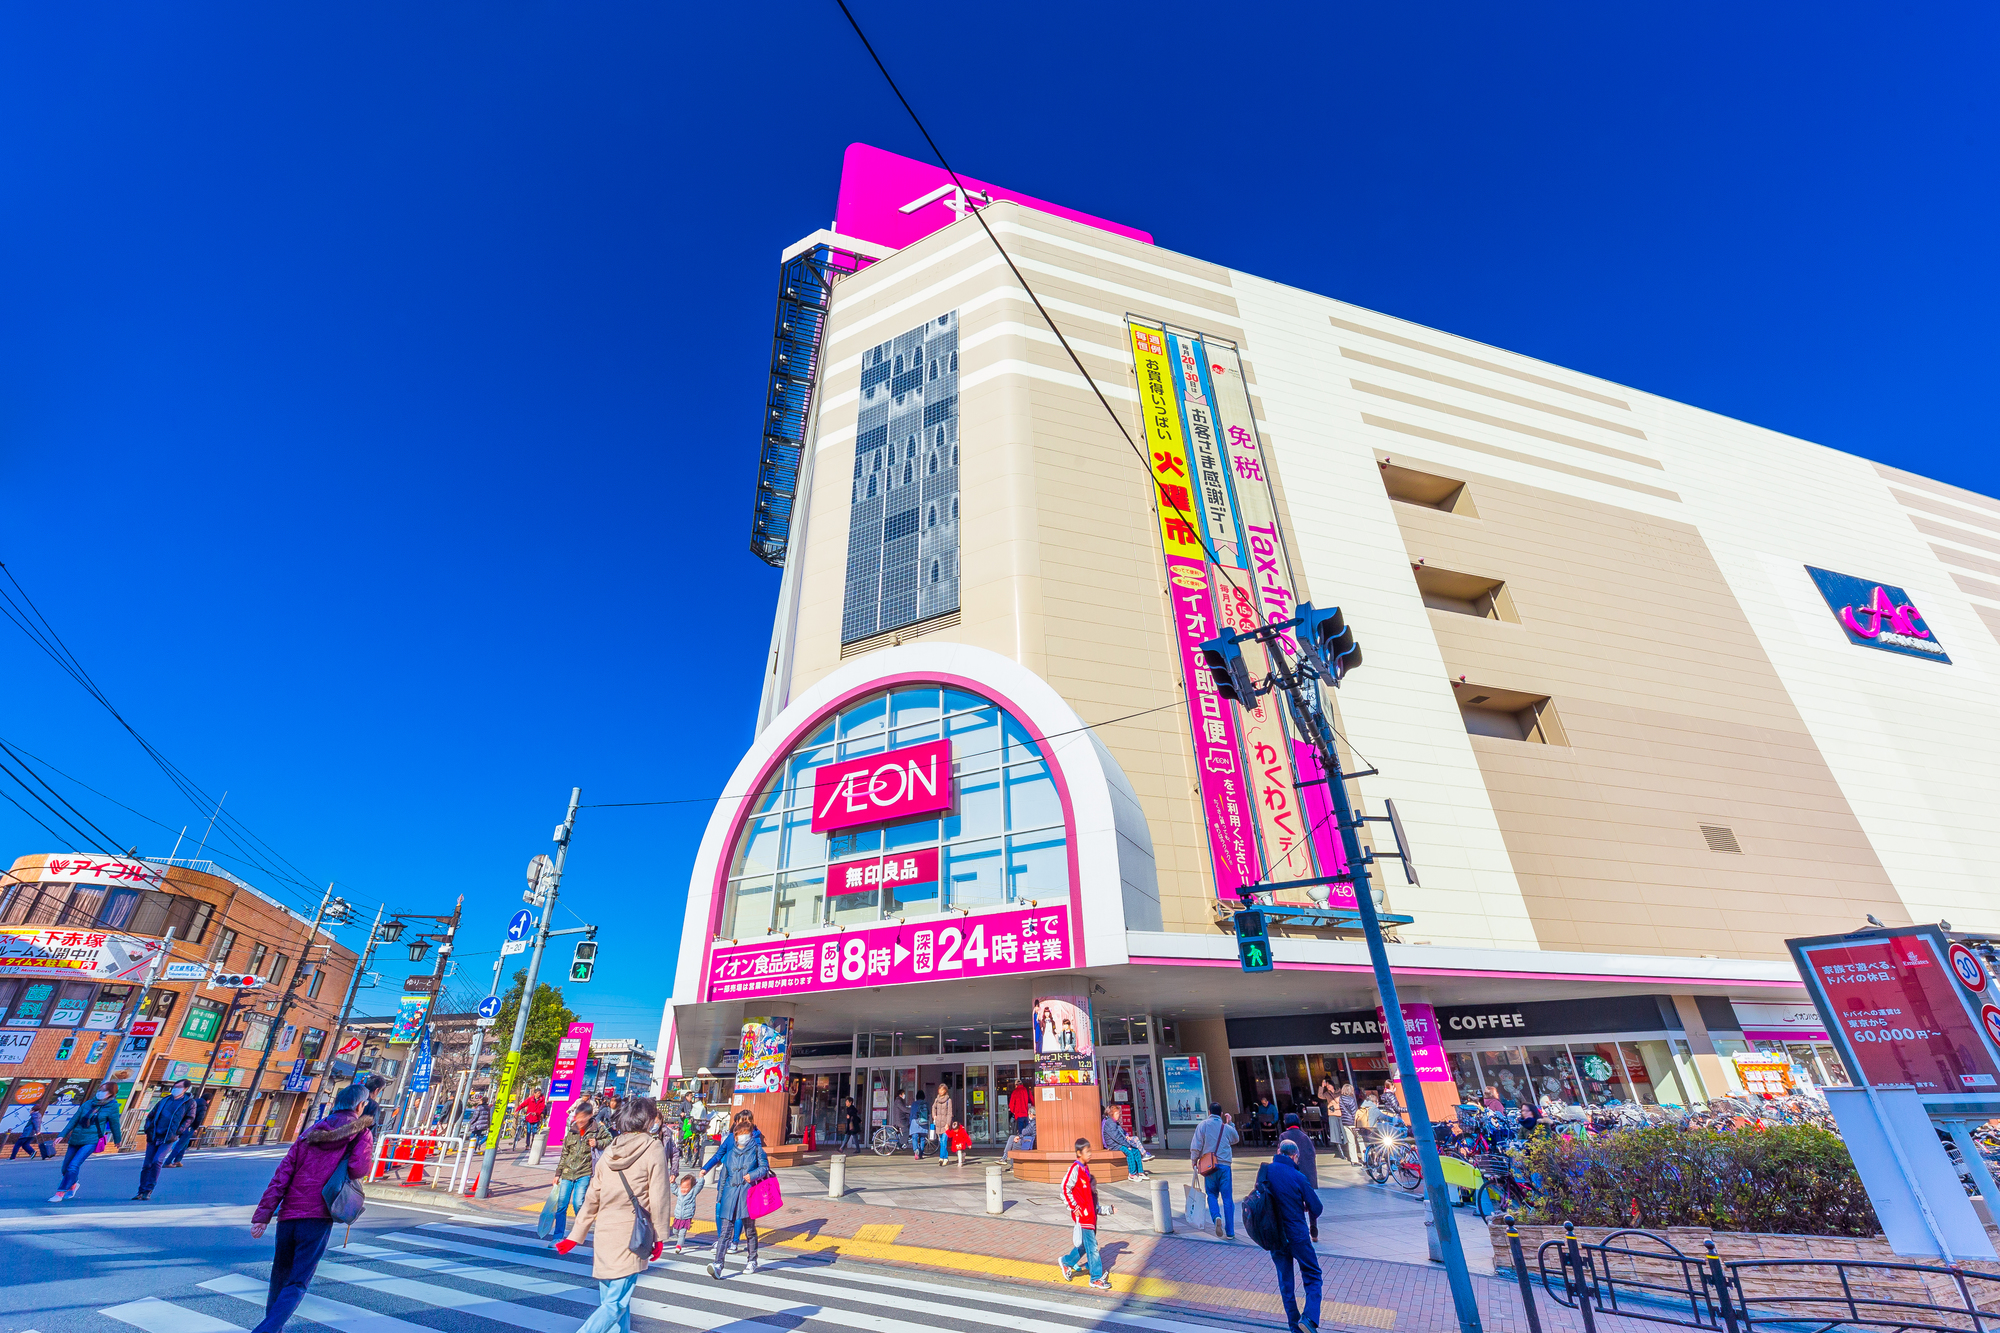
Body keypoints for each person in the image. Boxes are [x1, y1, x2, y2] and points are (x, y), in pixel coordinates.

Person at [249, 1083, 375, 1333]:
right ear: (360, 1106)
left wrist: (263, 1215)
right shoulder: (361, 1133)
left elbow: (282, 1175)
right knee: (297, 1281)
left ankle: (272, 1328)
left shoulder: (310, 1132)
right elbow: (358, 1169)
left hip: (288, 1216)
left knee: (280, 1277)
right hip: (318, 1216)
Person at [556, 1098, 668, 1333]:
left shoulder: (611, 1149)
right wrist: (659, 1235)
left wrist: (575, 1234)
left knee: (615, 1302)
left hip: (606, 1233)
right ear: (647, 1120)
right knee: (616, 1304)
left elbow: (593, 1195)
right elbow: (659, 1194)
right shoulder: (652, 1147)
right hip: (632, 1235)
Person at [699, 1102, 771, 1279]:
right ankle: (718, 1264)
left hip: (748, 1194)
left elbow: (765, 1169)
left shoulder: (757, 1149)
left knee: (750, 1229)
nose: (740, 1137)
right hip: (730, 1194)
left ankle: (752, 1259)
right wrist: (720, 1195)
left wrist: (752, 1175)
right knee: (725, 1232)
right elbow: (724, 1174)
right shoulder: (730, 1153)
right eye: (738, 1135)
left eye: (743, 1134)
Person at [1261, 1139, 1324, 1333]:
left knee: (1285, 1282)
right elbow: (1317, 1208)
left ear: (1279, 1152)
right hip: (1297, 1234)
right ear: (1295, 1156)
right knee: (1313, 1275)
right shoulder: (1298, 1176)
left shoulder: (1265, 1171)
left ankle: (1294, 1326)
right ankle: (1309, 1318)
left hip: (1274, 1235)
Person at [539, 1098, 611, 1244]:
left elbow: (610, 1140)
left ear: (590, 1116)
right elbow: (564, 1153)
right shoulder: (572, 1131)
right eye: (578, 1118)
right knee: (561, 1205)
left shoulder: (598, 1129)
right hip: (567, 1172)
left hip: (584, 1172)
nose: (579, 1121)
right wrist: (558, 1174)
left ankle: (579, 1232)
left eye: (583, 1118)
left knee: (579, 1203)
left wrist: (597, 1142)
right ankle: (558, 1236)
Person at [1056, 1137, 1112, 1292]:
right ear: (1079, 1153)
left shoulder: (1085, 1169)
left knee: (1085, 1246)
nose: (1090, 1154)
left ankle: (1067, 1261)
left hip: (1090, 1215)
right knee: (1093, 1247)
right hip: (1083, 1215)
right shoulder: (1075, 1169)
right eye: (1087, 1152)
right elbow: (1065, 1188)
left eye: (1090, 1151)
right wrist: (1074, 1207)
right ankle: (1095, 1278)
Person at [51, 1086, 123, 1202]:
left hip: (91, 1139)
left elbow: (115, 1124)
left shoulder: (112, 1106)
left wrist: (117, 1140)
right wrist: (62, 1134)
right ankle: (73, 1184)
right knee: (65, 1168)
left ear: (110, 1093)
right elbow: (74, 1120)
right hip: (76, 1138)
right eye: (99, 1090)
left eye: (104, 1090)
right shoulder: (88, 1103)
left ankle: (60, 1193)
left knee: (73, 1166)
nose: (100, 1092)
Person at [134, 1079, 197, 1200]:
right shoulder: (165, 1100)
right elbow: (151, 1115)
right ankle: (141, 1191)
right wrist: (147, 1127)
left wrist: (179, 1130)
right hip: (154, 1134)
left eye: (178, 1087)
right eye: (174, 1086)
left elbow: (190, 1118)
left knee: (157, 1161)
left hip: (169, 1136)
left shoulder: (189, 1103)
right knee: (147, 1164)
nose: (175, 1088)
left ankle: (149, 1190)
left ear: (185, 1089)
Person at [1188, 1102, 1239, 1239]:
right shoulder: (1225, 1127)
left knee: (1211, 1194)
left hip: (1209, 1166)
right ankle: (1230, 1232)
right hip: (1224, 1166)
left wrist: (1194, 1160)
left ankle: (1216, 1216)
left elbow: (1196, 1145)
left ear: (1209, 1112)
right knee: (1228, 1198)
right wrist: (1230, 1123)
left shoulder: (1203, 1125)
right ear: (1221, 1114)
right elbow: (1235, 1139)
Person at [1277, 1112, 1319, 1240]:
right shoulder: (1304, 1136)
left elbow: (1280, 1154)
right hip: (1307, 1173)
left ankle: (1301, 1230)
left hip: (1291, 1173)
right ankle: (1314, 1227)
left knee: (1295, 1202)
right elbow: (1313, 1154)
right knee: (1309, 1200)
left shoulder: (1284, 1136)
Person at [165, 1092, 209, 1167]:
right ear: (208, 1100)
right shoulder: (204, 1106)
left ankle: (178, 1160)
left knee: (184, 1144)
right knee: (180, 1144)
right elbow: (199, 1118)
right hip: (190, 1126)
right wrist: (195, 1127)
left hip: (182, 1125)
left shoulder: (193, 1102)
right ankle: (168, 1162)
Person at [1101, 1111, 1146, 1180]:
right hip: (1114, 1145)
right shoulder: (1109, 1123)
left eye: (1119, 1113)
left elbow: (1122, 1133)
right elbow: (1116, 1137)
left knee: (1136, 1150)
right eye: (1117, 1113)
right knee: (1129, 1152)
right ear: (1111, 1114)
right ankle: (1132, 1174)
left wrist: (1126, 1136)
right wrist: (1127, 1145)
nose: (1119, 1115)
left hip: (1120, 1142)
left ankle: (1140, 1172)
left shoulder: (1115, 1122)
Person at [669, 1170, 702, 1253]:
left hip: (687, 1217)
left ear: (691, 1187)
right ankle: (680, 1239)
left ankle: (679, 1246)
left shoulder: (692, 1192)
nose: (683, 1190)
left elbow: (699, 1185)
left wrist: (701, 1178)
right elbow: (674, 1190)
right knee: (675, 1231)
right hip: (677, 1216)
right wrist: (672, 1183)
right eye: (682, 1187)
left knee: (682, 1233)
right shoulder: (679, 1192)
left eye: (686, 1188)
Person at [930, 1083, 953, 1164]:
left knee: (944, 1141)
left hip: (945, 1124)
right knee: (941, 1142)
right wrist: (934, 1116)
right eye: (940, 1089)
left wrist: (948, 1123)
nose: (941, 1091)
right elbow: (933, 1108)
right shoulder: (937, 1100)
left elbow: (950, 1113)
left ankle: (941, 1157)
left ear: (945, 1090)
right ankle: (946, 1158)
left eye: (943, 1090)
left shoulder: (948, 1100)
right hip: (938, 1124)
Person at [1336, 1084, 1359, 1162]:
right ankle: (1365, 1158)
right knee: (1360, 1140)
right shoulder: (1351, 1099)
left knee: (1351, 1142)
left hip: (1345, 1122)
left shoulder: (1341, 1099)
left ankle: (1354, 1160)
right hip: (1353, 1122)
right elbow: (1354, 1112)